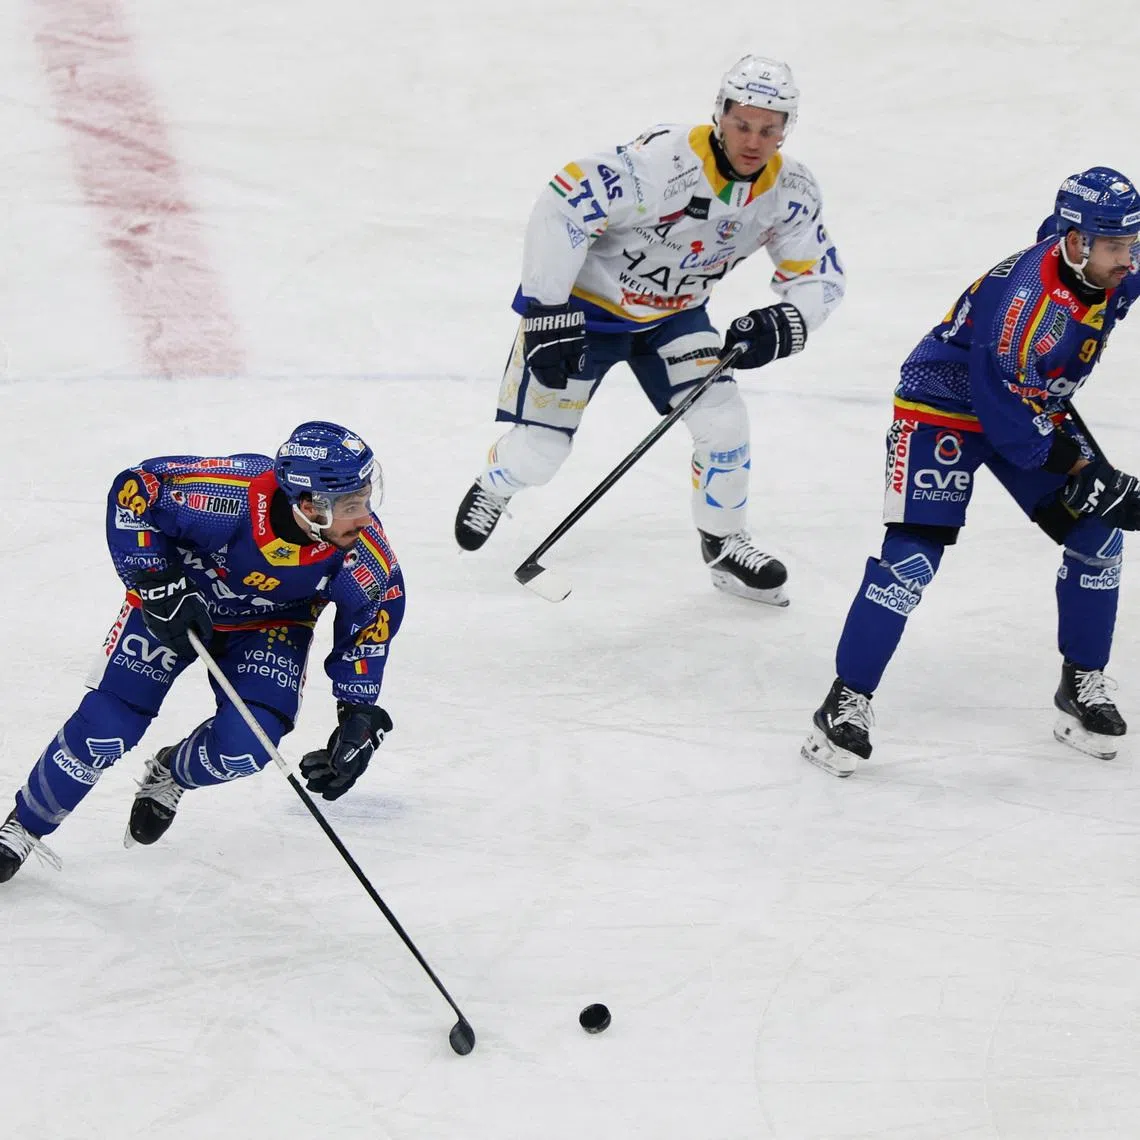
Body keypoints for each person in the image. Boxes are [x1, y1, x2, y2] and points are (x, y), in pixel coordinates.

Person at [453, 55, 846, 606]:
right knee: (541, 452)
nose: (754, 140)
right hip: (584, 313)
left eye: (769, 128)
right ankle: (496, 485)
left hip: (674, 318)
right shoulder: (662, 163)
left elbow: (818, 275)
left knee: (724, 422)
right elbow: (565, 205)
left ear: (786, 128)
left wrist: (790, 321)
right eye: (742, 124)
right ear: (720, 115)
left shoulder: (792, 190)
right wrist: (546, 310)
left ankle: (724, 544)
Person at [802, 167, 1140, 777]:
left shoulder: (1108, 259)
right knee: (912, 557)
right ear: (1076, 241)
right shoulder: (1027, 306)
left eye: (1131, 244)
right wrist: (1086, 468)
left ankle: (1082, 682)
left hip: (1027, 399)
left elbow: (1028, 403)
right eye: (1116, 246)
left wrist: (1094, 480)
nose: (1128, 259)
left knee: (1098, 537)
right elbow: (1009, 417)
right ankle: (844, 702)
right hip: (945, 408)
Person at [0, 421, 405, 881]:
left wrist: (357, 712)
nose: (366, 516)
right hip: (176, 608)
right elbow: (135, 491)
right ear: (310, 505)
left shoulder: (362, 553)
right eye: (352, 505)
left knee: (245, 747)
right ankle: (24, 827)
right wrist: (155, 580)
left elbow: (376, 611)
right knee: (106, 729)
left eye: (367, 499)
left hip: (270, 626)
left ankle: (172, 771)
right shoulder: (225, 496)